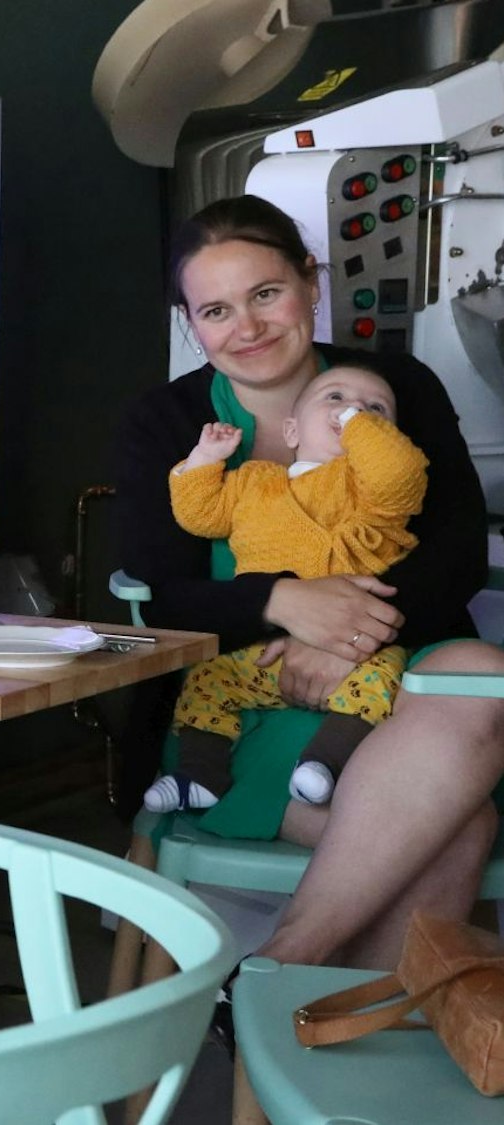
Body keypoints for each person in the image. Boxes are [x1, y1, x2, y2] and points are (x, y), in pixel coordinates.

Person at [115, 193, 504, 978]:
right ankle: (306, 1019)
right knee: (461, 827)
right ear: (191, 323)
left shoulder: (391, 387)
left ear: (309, 282)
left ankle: (277, 980)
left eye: (266, 294)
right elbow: (158, 591)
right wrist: (281, 604)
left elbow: (458, 547)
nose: (248, 327)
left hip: (397, 686)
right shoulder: (166, 421)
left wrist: (354, 635)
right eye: (216, 310)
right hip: (235, 711)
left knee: (482, 683)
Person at [144, 361, 427, 813]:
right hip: (266, 649)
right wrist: (202, 462)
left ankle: (324, 764)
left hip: (353, 653)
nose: (354, 408)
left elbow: (400, 473)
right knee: (207, 680)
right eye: (334, 398)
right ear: (292, 432)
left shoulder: (375, 494)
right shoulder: (256, 482)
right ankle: (199, 774)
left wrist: (357, 425)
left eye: (377, 409)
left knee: (387, 673)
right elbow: (200, 515)